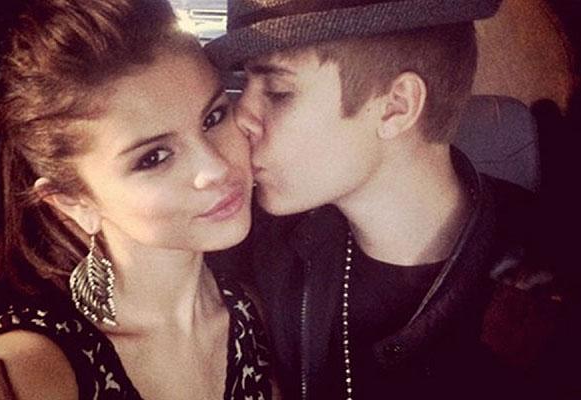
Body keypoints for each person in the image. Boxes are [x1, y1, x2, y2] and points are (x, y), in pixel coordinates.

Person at [203, 0, 572, 399]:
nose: (241, 116)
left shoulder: (555, 283)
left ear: (396, 106)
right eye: (245, 82)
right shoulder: (258, 243)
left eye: (278, 91)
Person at [0, 0, 272, 399]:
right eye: (153, 158)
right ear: (73, 202)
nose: (216, 168)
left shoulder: (252, 314)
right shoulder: (31, 369)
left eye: (214, 117)